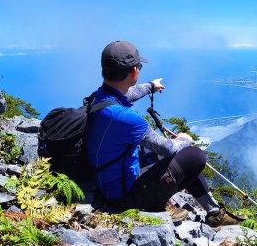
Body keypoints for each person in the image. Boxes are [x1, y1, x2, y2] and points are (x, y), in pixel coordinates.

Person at [84, 40, 240, 227]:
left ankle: (213, 212)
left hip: (108, 180)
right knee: (193, 156)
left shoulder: (99, 98)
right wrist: (184, 139)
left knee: (176, 155)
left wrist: (151, 85)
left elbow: (128, 94)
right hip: (123, 195)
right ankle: (160, 204)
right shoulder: (125, 118)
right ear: (134, 71)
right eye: (139, 66)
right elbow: (167, 148)